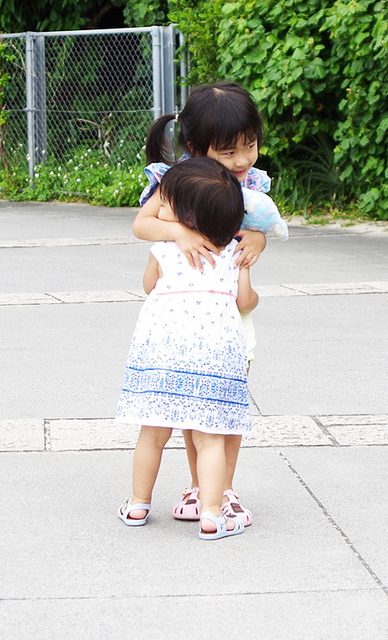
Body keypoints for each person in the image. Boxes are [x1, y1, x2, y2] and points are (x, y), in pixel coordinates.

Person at [132, 81, 287, 529]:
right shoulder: (178, 183)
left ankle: (224, 489)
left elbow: (260, 230)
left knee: (227, 407)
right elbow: (142, 225)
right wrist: (179, 232)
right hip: (187, 313)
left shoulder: (252, 185)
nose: (242, 161)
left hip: (232, 313)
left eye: (250, 146)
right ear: (198, 148)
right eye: (228, 152)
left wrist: (257, 237)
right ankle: (203, 489)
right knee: (194, 409)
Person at [115, 158, 258, 540]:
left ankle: (137, 505)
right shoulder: (232, 253)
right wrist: (244, 277)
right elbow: (245, 302)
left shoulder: (163, 249)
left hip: (161, 356)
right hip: (214, 359)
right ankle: (211, 515)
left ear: (189, 216)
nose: (160, 208)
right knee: (208, 437)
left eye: (169, 203)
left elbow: (149, 286)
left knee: (152, 435)